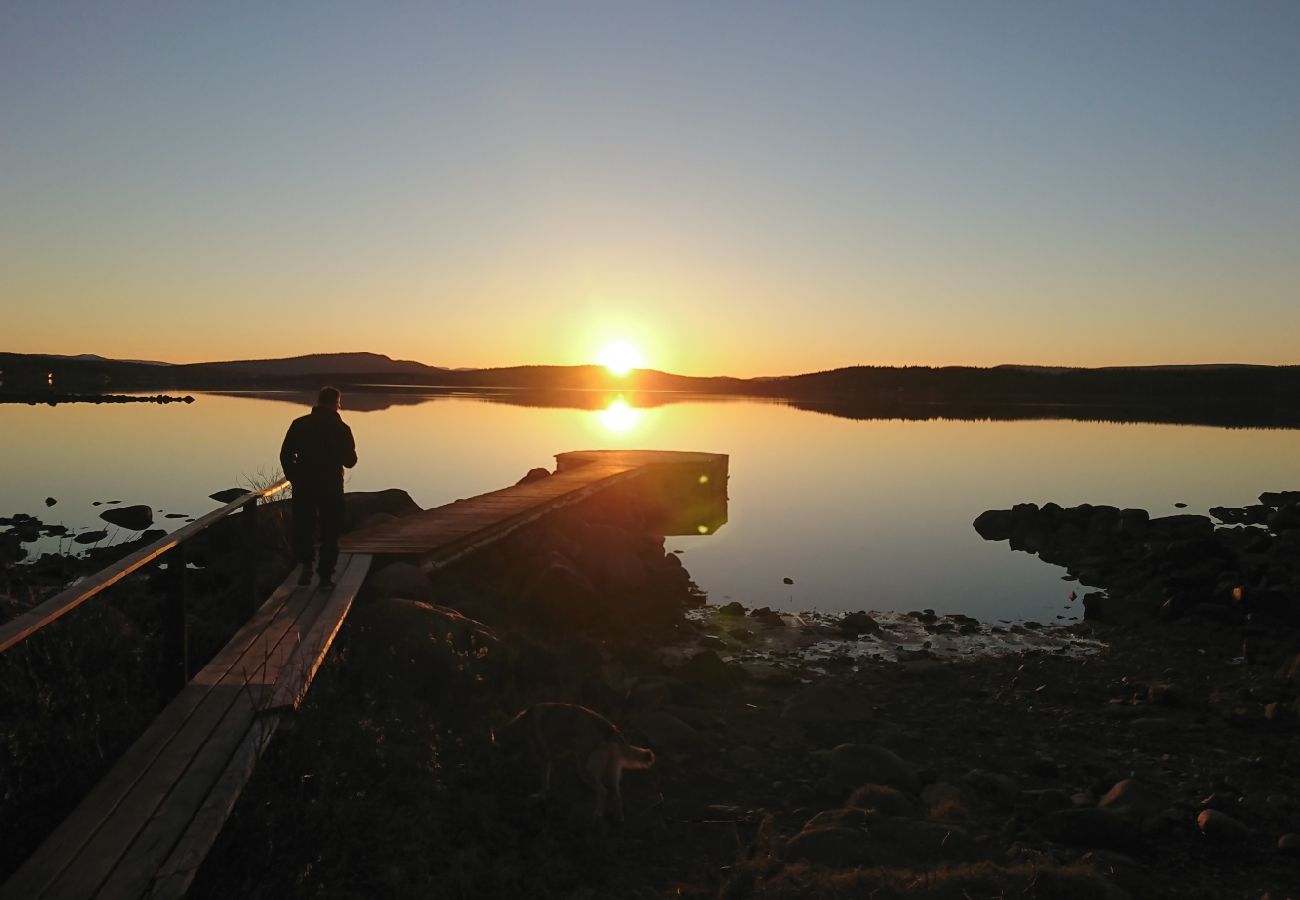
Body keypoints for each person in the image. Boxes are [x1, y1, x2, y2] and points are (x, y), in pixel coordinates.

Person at [280, 386, 357, 588]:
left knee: (303, 527)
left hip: (304, 486)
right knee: (330, 531)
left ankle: (306, 566)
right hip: (331, 488)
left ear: (318, 401)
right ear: (336, 403)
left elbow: (285, 455)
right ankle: (325, 576)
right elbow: (350, 461)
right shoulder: (341, 429)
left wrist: (294, 477)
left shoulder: (299, 424)